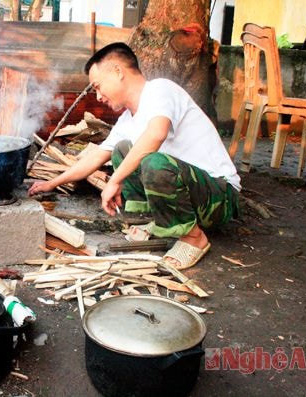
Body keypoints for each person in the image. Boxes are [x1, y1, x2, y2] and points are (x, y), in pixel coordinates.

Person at [28, 42, 240, 269]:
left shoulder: (160, 89)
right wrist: (52, 183)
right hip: (193, 195)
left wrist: (116, 179)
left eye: (98, 86)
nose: (98, 96)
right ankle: (155, 221)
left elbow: (156, 135)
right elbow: (96, 157)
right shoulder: (127, 120)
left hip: (220, 197)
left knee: (153, 161)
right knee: (122, 149)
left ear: (118, 71)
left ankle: (194, 238)